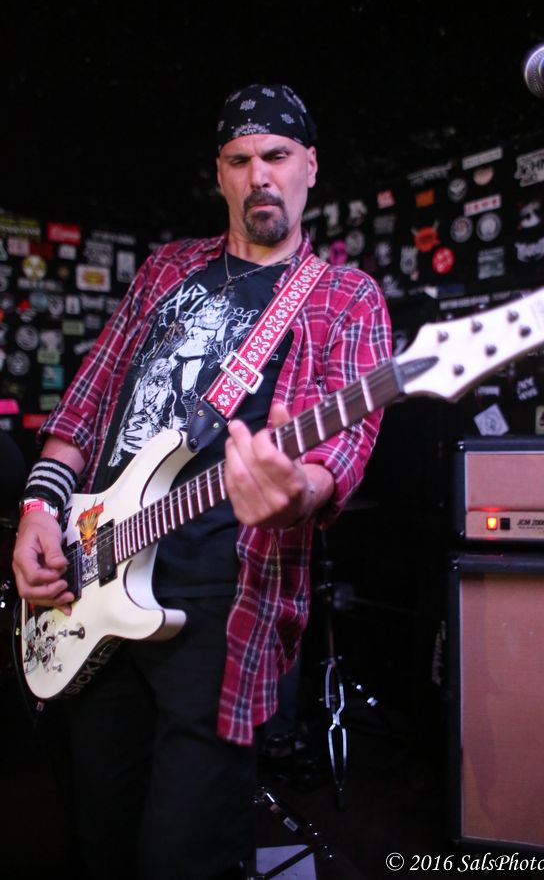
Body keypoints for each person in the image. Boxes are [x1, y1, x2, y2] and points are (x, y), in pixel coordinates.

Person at [12, 83, 392, 880]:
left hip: (222, 600)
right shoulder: (167, 269)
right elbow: (86, 402)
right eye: (239, 159)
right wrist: (39, 510)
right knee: (102, 834)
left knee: (184, 855)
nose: (260, 176)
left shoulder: (345, 297)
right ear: (219, 173)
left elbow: (341, 450)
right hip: (93, 574)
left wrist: (298, 492)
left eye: (276, 156)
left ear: (310, 166)